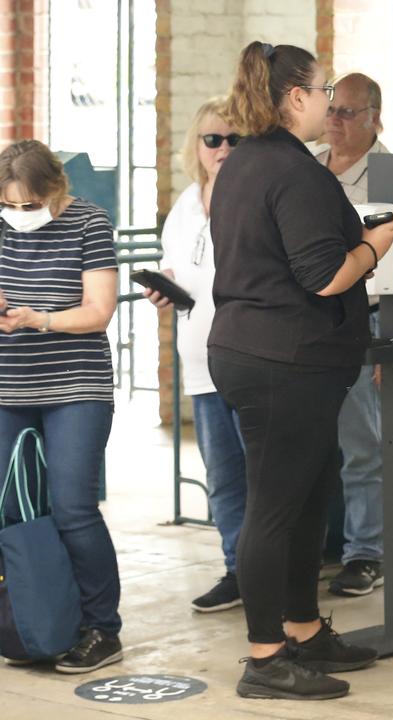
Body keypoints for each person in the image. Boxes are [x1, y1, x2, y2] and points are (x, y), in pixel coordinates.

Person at [209, 41, 393, 700]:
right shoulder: (292, 172)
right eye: (323, 92)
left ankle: (303, 627)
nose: (329, 105)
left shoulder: (246, 162)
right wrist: (374, 244)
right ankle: (266, 656)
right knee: (276, 505)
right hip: (280, 360)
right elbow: (324, 276)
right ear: (295, 97)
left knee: (310, 492)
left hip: (270, 352)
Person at [0, 140, 122, 674]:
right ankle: (30, 619)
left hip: (76, 388)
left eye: (30, 205)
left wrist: (38, 318)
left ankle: (101, 627)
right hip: (8, 389)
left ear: (56, 188)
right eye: (10, 206)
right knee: (9, 511)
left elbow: (98, 312)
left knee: (72, 507)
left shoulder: (91, 223)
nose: (20, 216)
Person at [314, 71, 393, 597]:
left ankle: (366, 553)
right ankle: (321, 545)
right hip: (310, 326)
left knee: (362, 446)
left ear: (374, 118)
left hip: (363, 324)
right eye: (331, 108)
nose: (334, 120)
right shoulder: (310, 164)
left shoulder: (385, 172)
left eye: (347, 112)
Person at [144, 98, 248, 613]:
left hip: (252, 359)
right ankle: (238, 570)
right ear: (197, 146)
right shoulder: (186, 204)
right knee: (224, 478)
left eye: (234, 139)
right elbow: (177, 270)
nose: (223, 149)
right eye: (213, 140)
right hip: (201, 361)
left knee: (265, 477)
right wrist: (165, 288)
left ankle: (278, 573)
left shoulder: (254, 197)